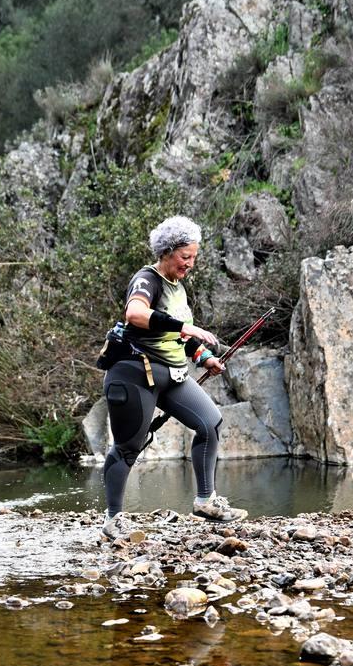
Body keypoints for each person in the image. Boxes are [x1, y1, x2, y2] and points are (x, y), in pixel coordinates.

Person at [102, 215, 248, 539]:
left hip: (171, 375)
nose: (190, 264)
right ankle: (112, 520)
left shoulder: (178, 289)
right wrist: (184, 327)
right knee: (128, 447)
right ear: (167, 252)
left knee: (210, 421)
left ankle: (206, 501)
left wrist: (205, 356)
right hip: (134, 374)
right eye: (186, 257)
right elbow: (136, 314)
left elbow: (178, 337)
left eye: (194, 257)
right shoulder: (147, 279)